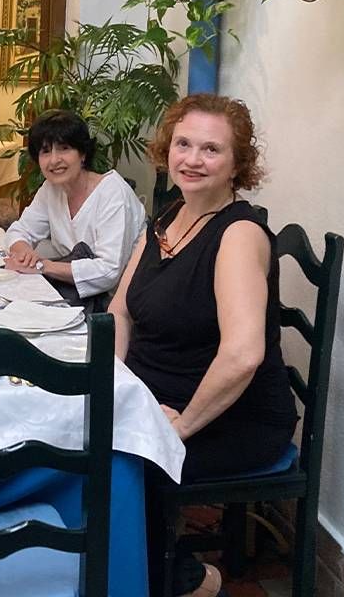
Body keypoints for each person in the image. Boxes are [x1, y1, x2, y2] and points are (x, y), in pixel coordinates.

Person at [109, 94, 297, 596]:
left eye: (211, 149)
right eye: (183, 144)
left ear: (238, 165)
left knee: (119, 463)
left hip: (229, 416)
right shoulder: (171, 216)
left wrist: (178, 427)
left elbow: (243, 354)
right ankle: (117, 569)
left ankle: (187, 581)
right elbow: (121, 312)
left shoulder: (238, 234)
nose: (191, 159)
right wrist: (110, 385)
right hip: (156, 396)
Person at [3, 110, 145, 310]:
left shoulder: (113, 192)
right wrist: (24, 253)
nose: (54, 160)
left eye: (64, 148)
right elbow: (20, 230)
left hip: (118, 307)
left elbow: (109, 272)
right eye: (45, 151)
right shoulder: (51, 189)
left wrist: (42, 266)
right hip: (76, 298)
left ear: (83, 153)